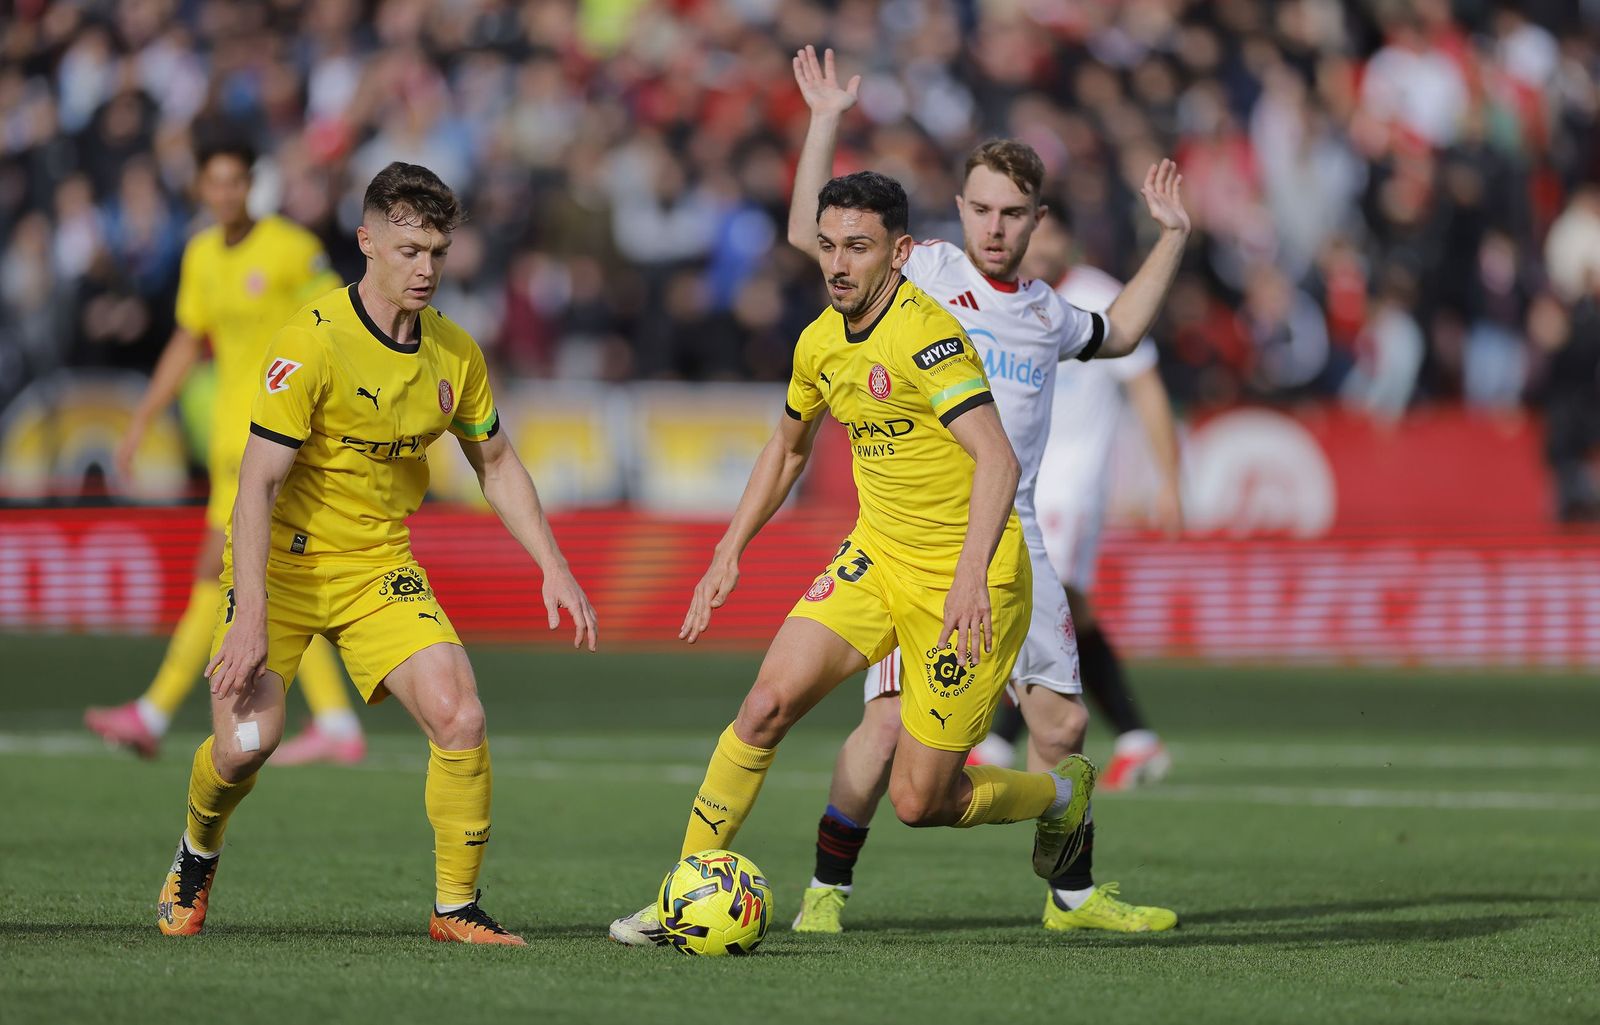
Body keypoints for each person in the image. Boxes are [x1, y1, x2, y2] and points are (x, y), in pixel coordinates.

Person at [779, 47, 1185, 935]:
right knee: (887, 727)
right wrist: (824, 123)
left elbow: (1121, 332)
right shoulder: (921, 271)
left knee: (1064, 728)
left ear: (1039, 219)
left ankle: (1071, 896)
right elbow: (810, 237)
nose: (996, 227)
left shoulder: (1045, 312)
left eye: (1013, 213)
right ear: (959, 209)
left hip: (1016, 539)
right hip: (922, 538)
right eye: (982, 209)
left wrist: (1172, 236)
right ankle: (826, 888)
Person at [155, 162, 598, 945]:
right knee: (246, 746)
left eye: (437, 252)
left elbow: (496, 463)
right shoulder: (311, 341)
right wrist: (249, 611)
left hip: (377, 568)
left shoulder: (455, 353)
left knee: (460, 712)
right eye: (409, 250)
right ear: (366, 242)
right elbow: (256, 485)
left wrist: (553, 563)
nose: (425, 268)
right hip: (281, 568)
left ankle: (455, 907)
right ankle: (197, 850)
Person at [86, 138, 368, 767]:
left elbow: (341, 319)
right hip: (228, 443)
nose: (225, 194)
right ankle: (334, 722)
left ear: (250, 185)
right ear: (201, 189)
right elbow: (189, 341)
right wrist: (141, 420)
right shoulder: (201, 255)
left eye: (235, 181)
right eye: (214, 182)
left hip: (274, 438)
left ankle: (154, 712)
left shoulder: (291, 248)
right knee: (257, 577)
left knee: (219, 573)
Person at [968, 212, 1183, 792]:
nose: (1038, 245)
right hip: (1019, 479)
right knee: (1071, 612)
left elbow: (1146, 386)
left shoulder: (1096, 296)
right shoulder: (1007, 297)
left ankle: (997, 740)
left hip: (1072, 484)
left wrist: (1169, 480)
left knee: (1035, 596)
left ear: (1067, 239)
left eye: (1050, 233)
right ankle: (1138, 739)